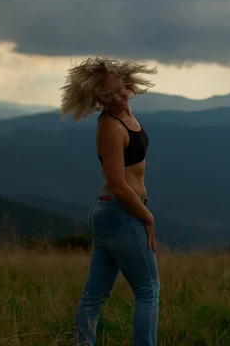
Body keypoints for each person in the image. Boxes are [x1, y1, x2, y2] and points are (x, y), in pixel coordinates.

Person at [59, 56, 160, 346]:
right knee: (147, 290)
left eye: (120, 89)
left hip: (113, 214)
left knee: (95, 293)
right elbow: (118, 184)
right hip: (121, 213)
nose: (118, 97)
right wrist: (146, 216)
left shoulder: (127, 116)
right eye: (109, 95)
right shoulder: (110, 127)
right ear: (98, 99)